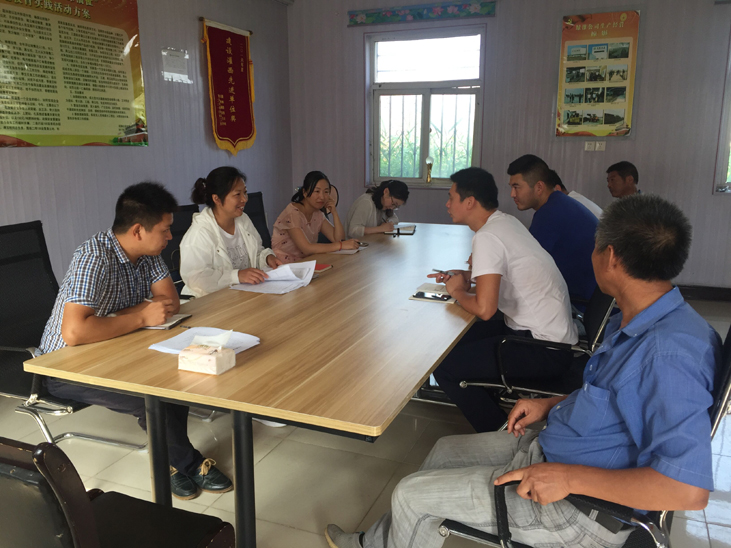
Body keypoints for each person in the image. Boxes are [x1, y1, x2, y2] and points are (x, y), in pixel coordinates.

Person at [326, 194, 720, 548]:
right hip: (556, 449)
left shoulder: (668, 353)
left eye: (596, 246)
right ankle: (381, 542)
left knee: (410, 495)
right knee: (445, 449)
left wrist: (567, 479)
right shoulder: (640, 318)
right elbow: (620, 398)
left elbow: (686, 489)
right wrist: (553, 404)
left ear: (611, 256)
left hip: (579, 508)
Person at [37, 182, 233, 501]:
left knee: (177, 378)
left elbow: (170, 303)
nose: (170, 237)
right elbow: (75, 332)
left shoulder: (147, 253)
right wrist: (141, 316)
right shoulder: (93, 256)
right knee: (150, 399)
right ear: (139, 230)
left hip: (113, 345)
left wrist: (118, 317)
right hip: (63, 367)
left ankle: (173, 460)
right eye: (165, 230)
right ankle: (187, 462)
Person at [426, 167, 578, 432]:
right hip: (547, 337)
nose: (447, 204)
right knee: (451, 342)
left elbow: (485, 309)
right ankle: (490, 402)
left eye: (451, 197)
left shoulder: (487, 236)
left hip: (544, 349)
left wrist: (457, 292)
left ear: (469, 202)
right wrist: (466, 275)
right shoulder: (504, 222)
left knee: (445, 367)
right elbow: (505, 274)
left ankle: (498, 434)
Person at [179, 166, 283, 298]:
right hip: (209, 301)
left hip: (242, 294)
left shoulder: (243, 219)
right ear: (217, 199)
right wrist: (237, 276)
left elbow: (256, 253)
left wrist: (267, 258)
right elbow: (197, 279)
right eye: (237, 194)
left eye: (245, 192)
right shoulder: (199, 234)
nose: (244, 199)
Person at [508, 154, 598, 303]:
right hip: (592, 296)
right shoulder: (559, 203)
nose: (512, 194)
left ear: (539, 187)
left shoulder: (550, 213)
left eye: (516, 187)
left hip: (580, 302)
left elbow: (527, 268)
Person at [271, 170, 359, 263]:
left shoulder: (317, 214)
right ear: (305, 193)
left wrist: (334, 212)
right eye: (317, 191)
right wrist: (340, 245)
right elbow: (306, 248)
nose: (322, 197)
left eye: (326, 192)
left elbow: (338, 239)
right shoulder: (292, 213)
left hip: (306, 262)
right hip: (283, 265)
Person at [345, 179, 410, 238]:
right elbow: (353, 230)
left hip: (370, 242)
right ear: (386, 192)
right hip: (353, 244)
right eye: (393, 203)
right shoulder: (366, 202)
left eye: (396, 206)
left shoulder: (384, 205)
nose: (392, 207)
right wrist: (380, 228)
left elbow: (395, 219)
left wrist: (388, 223)